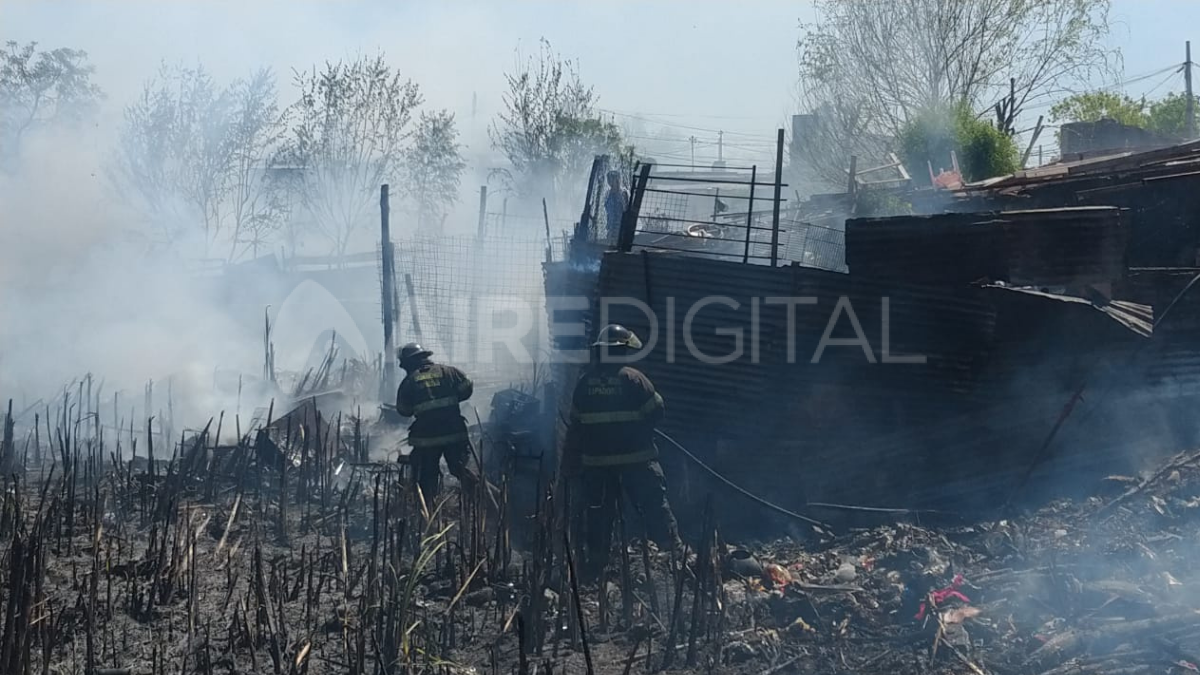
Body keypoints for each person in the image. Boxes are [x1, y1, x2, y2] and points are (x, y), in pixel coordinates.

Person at [562, 324, 682, 581]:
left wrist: (569, 464)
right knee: (654, 507)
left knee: (598, 513)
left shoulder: (584, 384)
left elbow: (576, 426)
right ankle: (673, 555)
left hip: (596, 465)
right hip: (637, 461)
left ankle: (595, 568)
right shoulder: (634, 379)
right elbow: (657, 412)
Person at [395, 342, 486, 507]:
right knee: (460, 468)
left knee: (427, 474)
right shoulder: (449, 372)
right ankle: (478, 501)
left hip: (426, 439)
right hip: (454, 432)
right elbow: (467, 389)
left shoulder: (409, 382)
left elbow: (404, 410)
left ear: (408, 363)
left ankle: (428, 508)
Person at [603, 170, 629, 242]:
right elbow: (606, 207)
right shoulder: (608, 193)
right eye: (608, 179)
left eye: (611, 178)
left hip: (620, 224)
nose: (609, 181)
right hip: (610, 223)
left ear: (616, 179)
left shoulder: (623, 192)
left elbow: (626, 209)